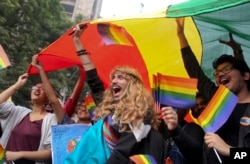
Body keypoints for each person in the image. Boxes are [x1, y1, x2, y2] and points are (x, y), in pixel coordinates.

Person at [64, 24, 166, 164]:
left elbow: (122, 153)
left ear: (132, 84)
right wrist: (77, 43)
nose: (113, 82)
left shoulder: (142, 113)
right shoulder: (110, 107)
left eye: (120, 77)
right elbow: (94, 80)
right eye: (113, 78)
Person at [176, 17, 250, 164]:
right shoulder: (219, 100)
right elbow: (195, 72)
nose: (220, 74)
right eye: (216, 73)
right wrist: (180, 34)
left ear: (246, 76)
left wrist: (229, 151)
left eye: (227, 69)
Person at [0, 73, 57, 163]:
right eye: (35, 87)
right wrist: (17, 85)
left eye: (42, 88)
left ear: (49, 98)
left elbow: (51, 152)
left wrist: (20, 154)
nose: (37, 89)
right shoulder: (19, 111)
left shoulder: (51, 119)